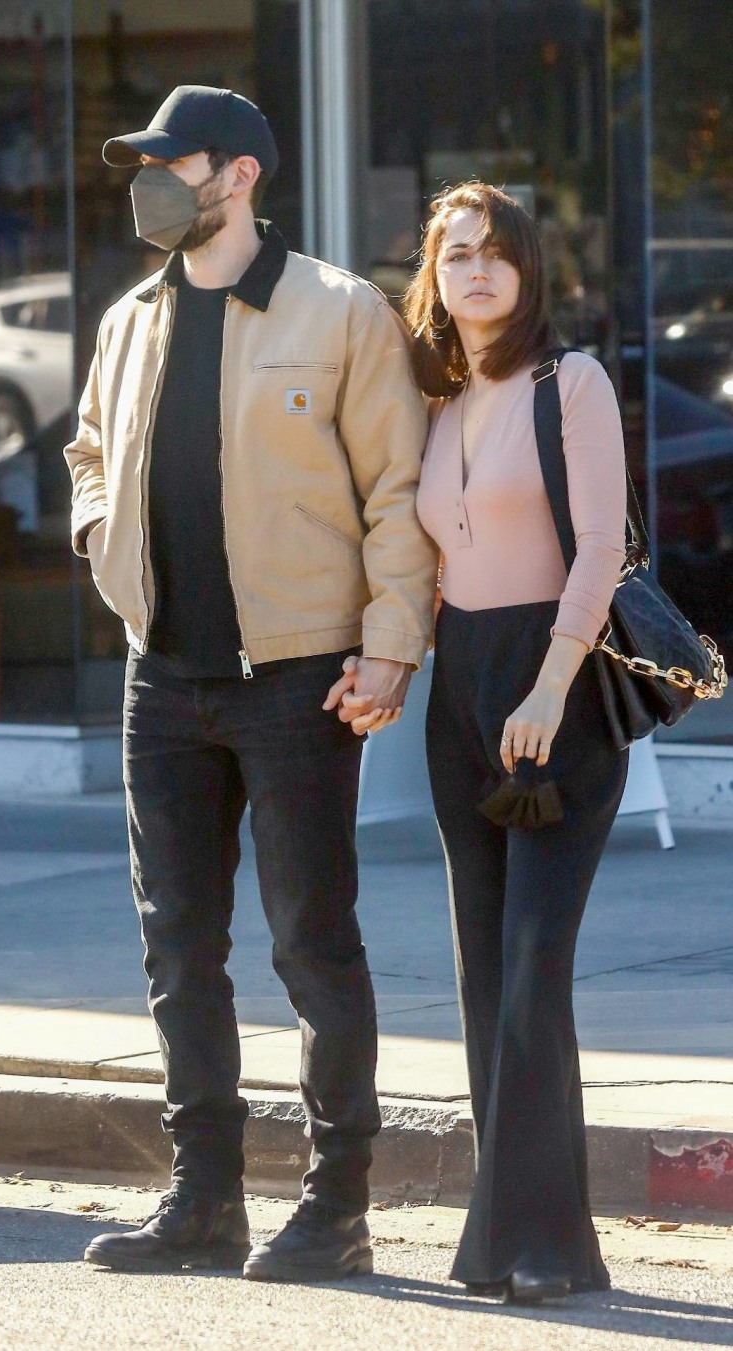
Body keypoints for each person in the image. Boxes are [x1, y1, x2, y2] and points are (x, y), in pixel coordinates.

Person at [64, 85, 437, 1281]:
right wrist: (99, 542)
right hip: (160, 680)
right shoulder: (130, 318)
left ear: (240, 176)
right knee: (179, 947)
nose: (150, 181)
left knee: (311, 945)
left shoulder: (336, 310)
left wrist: (388, 645)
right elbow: (87, 451)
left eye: (172, 162)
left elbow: (397, 492)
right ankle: (203, 1200)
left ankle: (336, 1206)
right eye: (145, 162)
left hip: (297, 679)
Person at [402, 181, 628, 1302]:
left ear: (528, 269)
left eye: (495, 253)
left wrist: (547, 686)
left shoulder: (569, 383)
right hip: (459, 696)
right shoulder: (436, 403)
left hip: (558, 693)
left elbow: (598, 549)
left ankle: (538, 1242)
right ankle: (523, 1243)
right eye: (455, 256)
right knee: (486, 974)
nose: (476, 271)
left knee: (535, 971)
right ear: (433, 277)